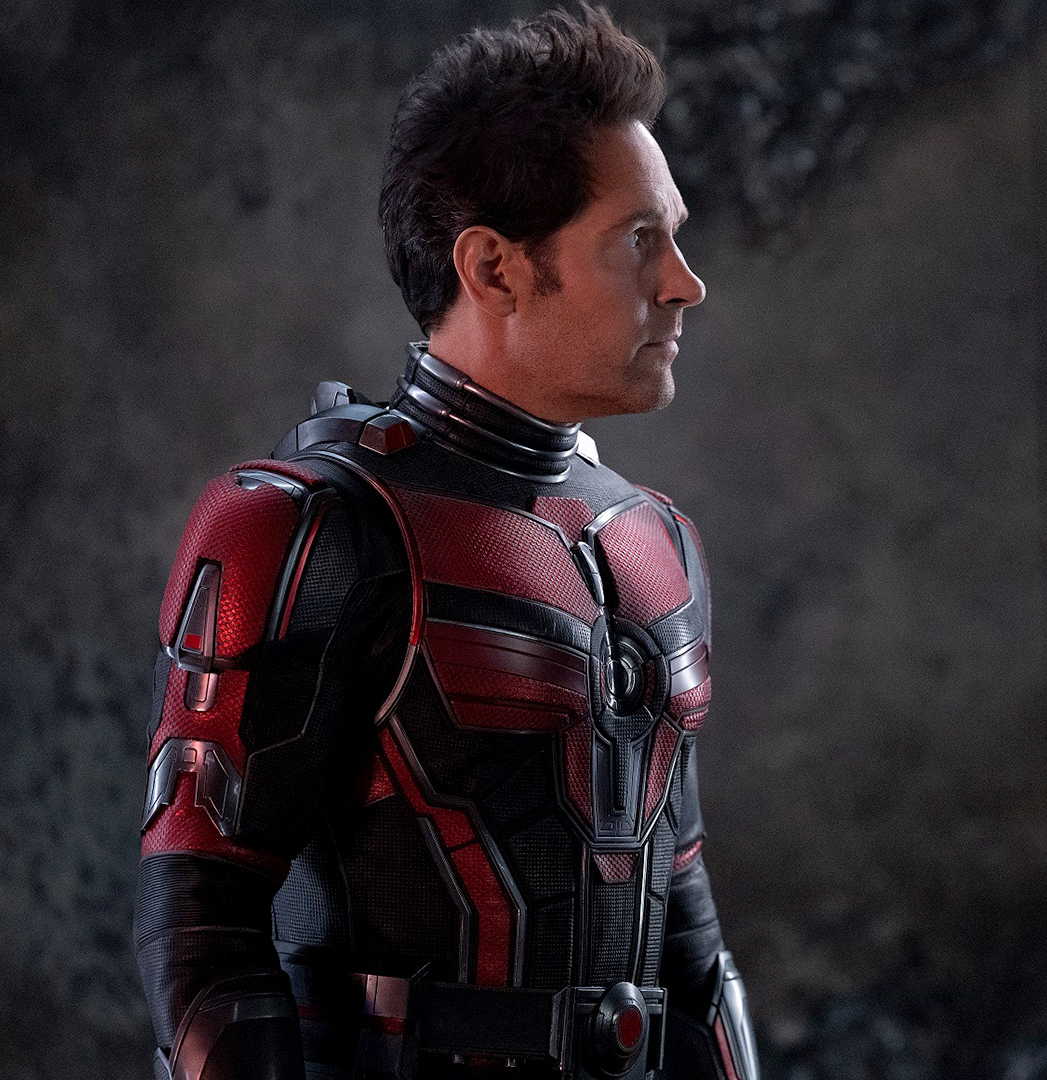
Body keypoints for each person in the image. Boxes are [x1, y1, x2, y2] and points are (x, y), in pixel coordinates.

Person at [133, 8, 760, 1079]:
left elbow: (690, 953)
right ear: (495, 268)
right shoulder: (307, 527)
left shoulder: (656, 543)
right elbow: (200, 941)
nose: (684, 283)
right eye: (638, 240)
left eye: (675, 235)